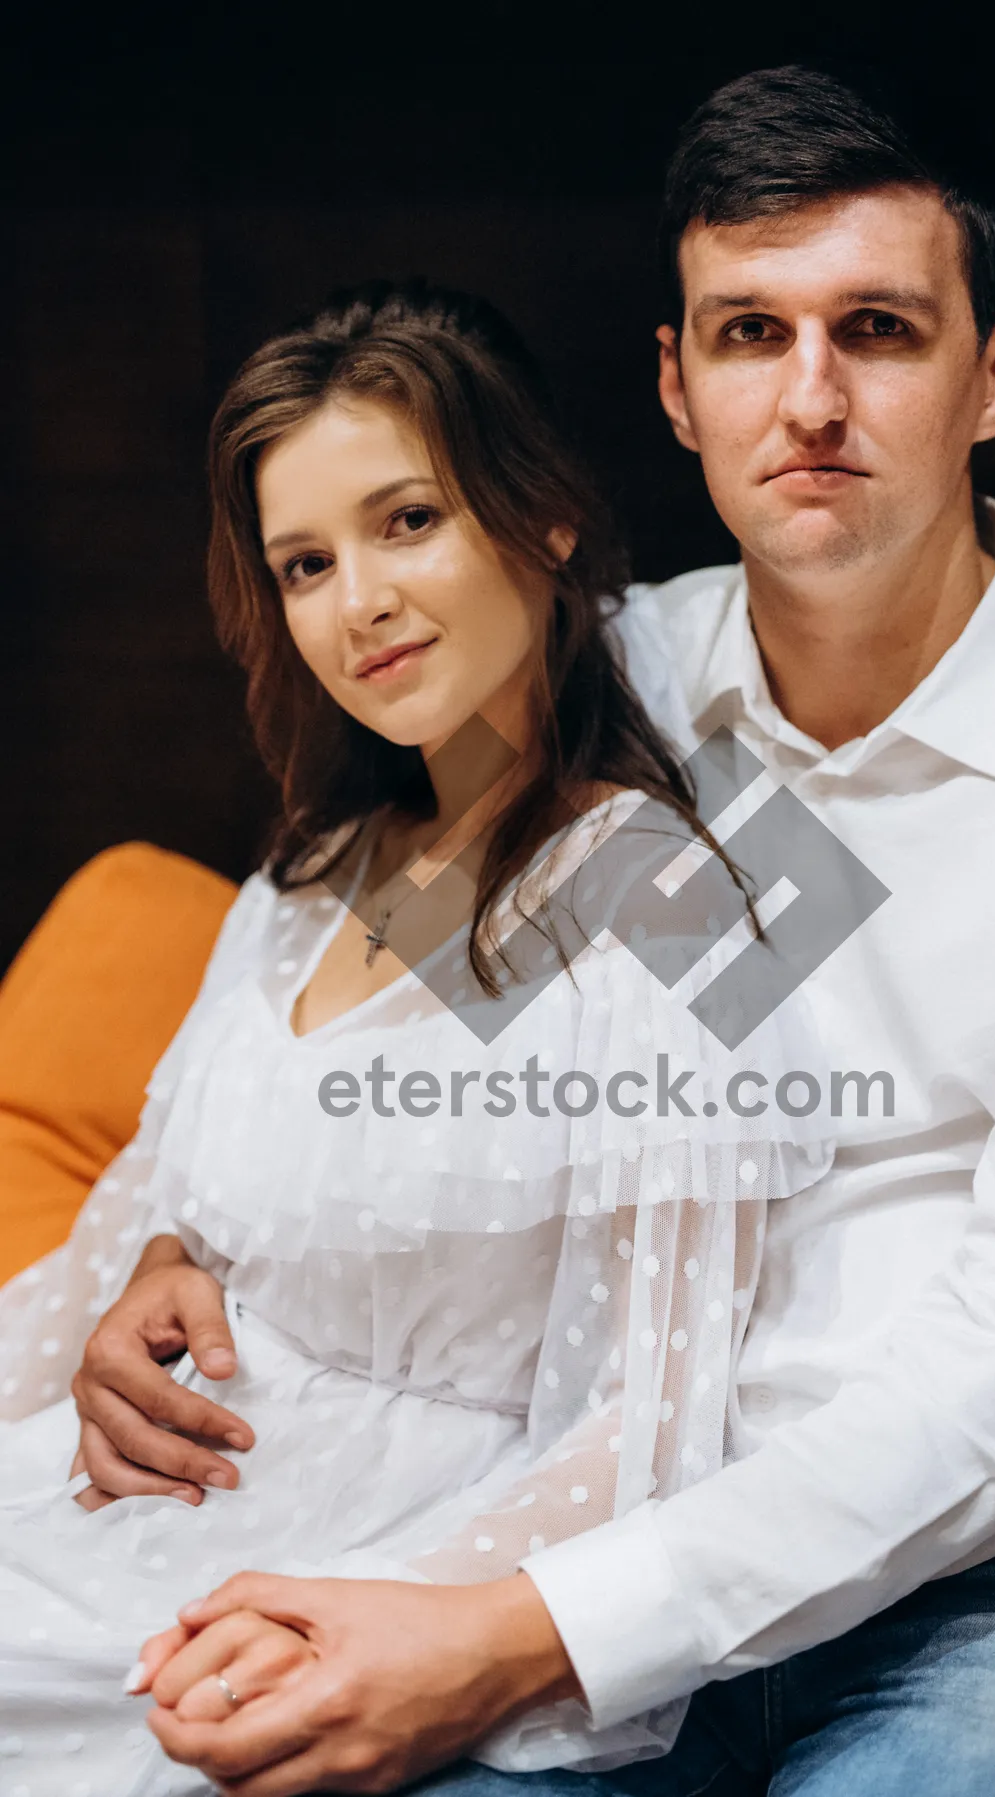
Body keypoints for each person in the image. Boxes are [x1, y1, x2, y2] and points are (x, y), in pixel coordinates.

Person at [9, 57, 995, 1797]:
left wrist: (503, 1637)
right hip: (613, 1510)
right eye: (748, 334)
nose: (811, 399)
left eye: (876, 328)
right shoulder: (600, 677)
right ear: (675, 383)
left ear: (993, 369)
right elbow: (336, 1030)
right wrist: (181, 1259)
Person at [0, 277, 833, 1791]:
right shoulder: (309, 878)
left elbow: (657, 1430)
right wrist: (152, 1279)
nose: (359, 602)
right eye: (305, 562)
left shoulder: (657, 902)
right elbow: (161, 1204)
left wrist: (379, 1627)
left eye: (406, 523)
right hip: (126, 1510)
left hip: (378, 1570)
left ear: (545, 523)